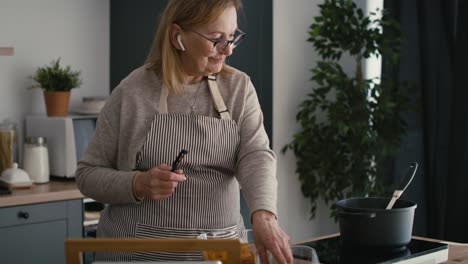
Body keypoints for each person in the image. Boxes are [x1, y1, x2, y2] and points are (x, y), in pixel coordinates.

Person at [76, 0, 293, 263]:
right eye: (216, 39)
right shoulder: (132, 91)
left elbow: (255, 154)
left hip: (221, 252)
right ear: (178, 36)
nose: (228, 50)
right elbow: (87, 174)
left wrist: (264, 215)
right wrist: (138, 183)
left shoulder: (238, 87)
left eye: (232, 37)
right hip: (139, 254)